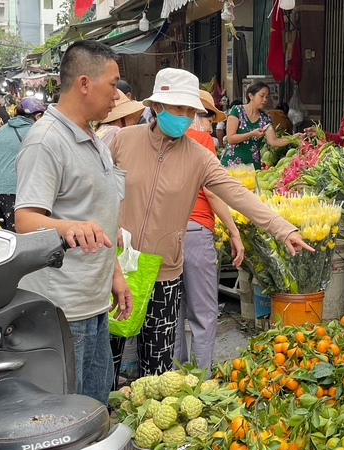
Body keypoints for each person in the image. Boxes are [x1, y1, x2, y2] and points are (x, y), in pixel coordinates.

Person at [109, 68, 313, 376]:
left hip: (165, 271)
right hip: (120, 266)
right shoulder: (122, 141)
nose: (186, 116)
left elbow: (236, 194)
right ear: (157, 107)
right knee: (108, 358)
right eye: (180, 108)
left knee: (158, 368)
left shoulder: (199, 155)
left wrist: (282, 228)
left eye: (191, 110)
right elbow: (95, 190)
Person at [14, 40, 131, 405]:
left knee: (94, 405)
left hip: (94, 303)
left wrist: (114, 275)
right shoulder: (46, 142)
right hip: (63, 310)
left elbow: (99, 218)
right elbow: (25, 220)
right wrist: (66, 227)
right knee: (64, 414)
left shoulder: (95, 140)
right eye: (112, 84)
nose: (117, 95)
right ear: (84, 83)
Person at [171, 89, 244, 375]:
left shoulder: (163, 141)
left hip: (166, 234)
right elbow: (212, 192)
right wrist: (233, 230)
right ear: (198, 115)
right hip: (195, 230)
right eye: (209, 117)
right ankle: (201, 377)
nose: (211, 125)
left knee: (173, 310)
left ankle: (175, 375)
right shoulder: (202, 141)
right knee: (203, 312)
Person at [0, 97, 47, 231]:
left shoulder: (0, 131)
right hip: (13, 191)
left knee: (0, 240)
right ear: (38, 116)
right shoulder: (36, 132)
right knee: (19, 240)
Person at [219, 82, 294, 170]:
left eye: (267, 96)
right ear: (251, 96)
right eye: (262, 96)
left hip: (252, 167)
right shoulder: (237, 111)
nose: (265, 99)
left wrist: (293, 138)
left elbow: (274, 142)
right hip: (231, 164)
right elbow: (231, 138)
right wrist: (252, 134)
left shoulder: (265, 118)